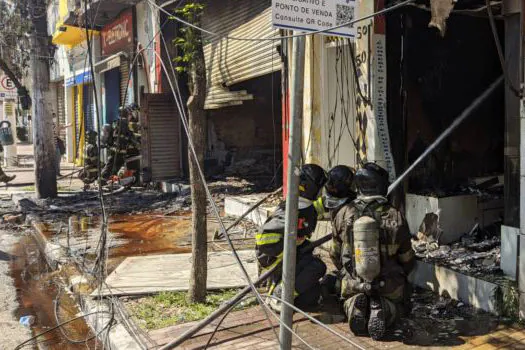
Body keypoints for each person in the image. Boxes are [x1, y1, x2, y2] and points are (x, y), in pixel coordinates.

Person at [341, 163, 415, 340]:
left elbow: (336, 254)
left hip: (355, 282)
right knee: (403, 302)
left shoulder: (345, 212)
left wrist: (349, 274)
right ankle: (385, 308)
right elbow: (406, 258)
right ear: (381, 185)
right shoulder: (395, 215)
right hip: (388, 284)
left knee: (344, 298)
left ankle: (354, 307)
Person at [255, 164, 328, 313]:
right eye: (320, 188)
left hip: (293, 254)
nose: (321, 192)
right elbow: (262, 241)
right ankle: (280, 294)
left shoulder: (304, 206)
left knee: (311, 297)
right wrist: (286, 250)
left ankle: (277, 286)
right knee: (317, 267)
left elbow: (316, 208)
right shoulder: (290, 212)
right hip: (276, 259)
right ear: (309, 187)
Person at [320, 165, 357, 299]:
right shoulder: (355, 206)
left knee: (328, 282)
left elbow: (336, 253)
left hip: (353, 267)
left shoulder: (344, 212)